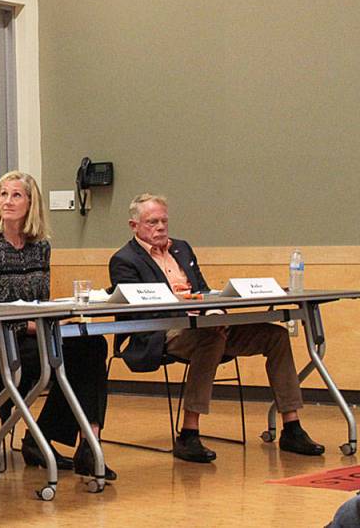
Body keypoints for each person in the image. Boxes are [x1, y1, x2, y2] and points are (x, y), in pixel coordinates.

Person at [109, 193, 323, 463]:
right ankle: (189, 433)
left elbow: (203, 290)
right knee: (210, 338)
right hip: (161, 332)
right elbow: (142, 308)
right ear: (134, 225)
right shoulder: (125, 259)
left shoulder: (182, 249)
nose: (161, 227)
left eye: (164, 220)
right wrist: (194, 312)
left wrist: (214, 310)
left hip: (205, 324)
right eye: (152, 222)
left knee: (275, 335)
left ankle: (291, 427)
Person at [0, 171, 115, 480]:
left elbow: (40, 301)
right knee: (65, 360)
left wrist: (54, 317)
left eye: (16, 195)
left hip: (36, 334)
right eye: (3, 195)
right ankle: (46, 439)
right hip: (2, 341)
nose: (7, 201)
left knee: (91, 346)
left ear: (31, 203)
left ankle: (89, 442)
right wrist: (34, 326)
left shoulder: (40, 246)